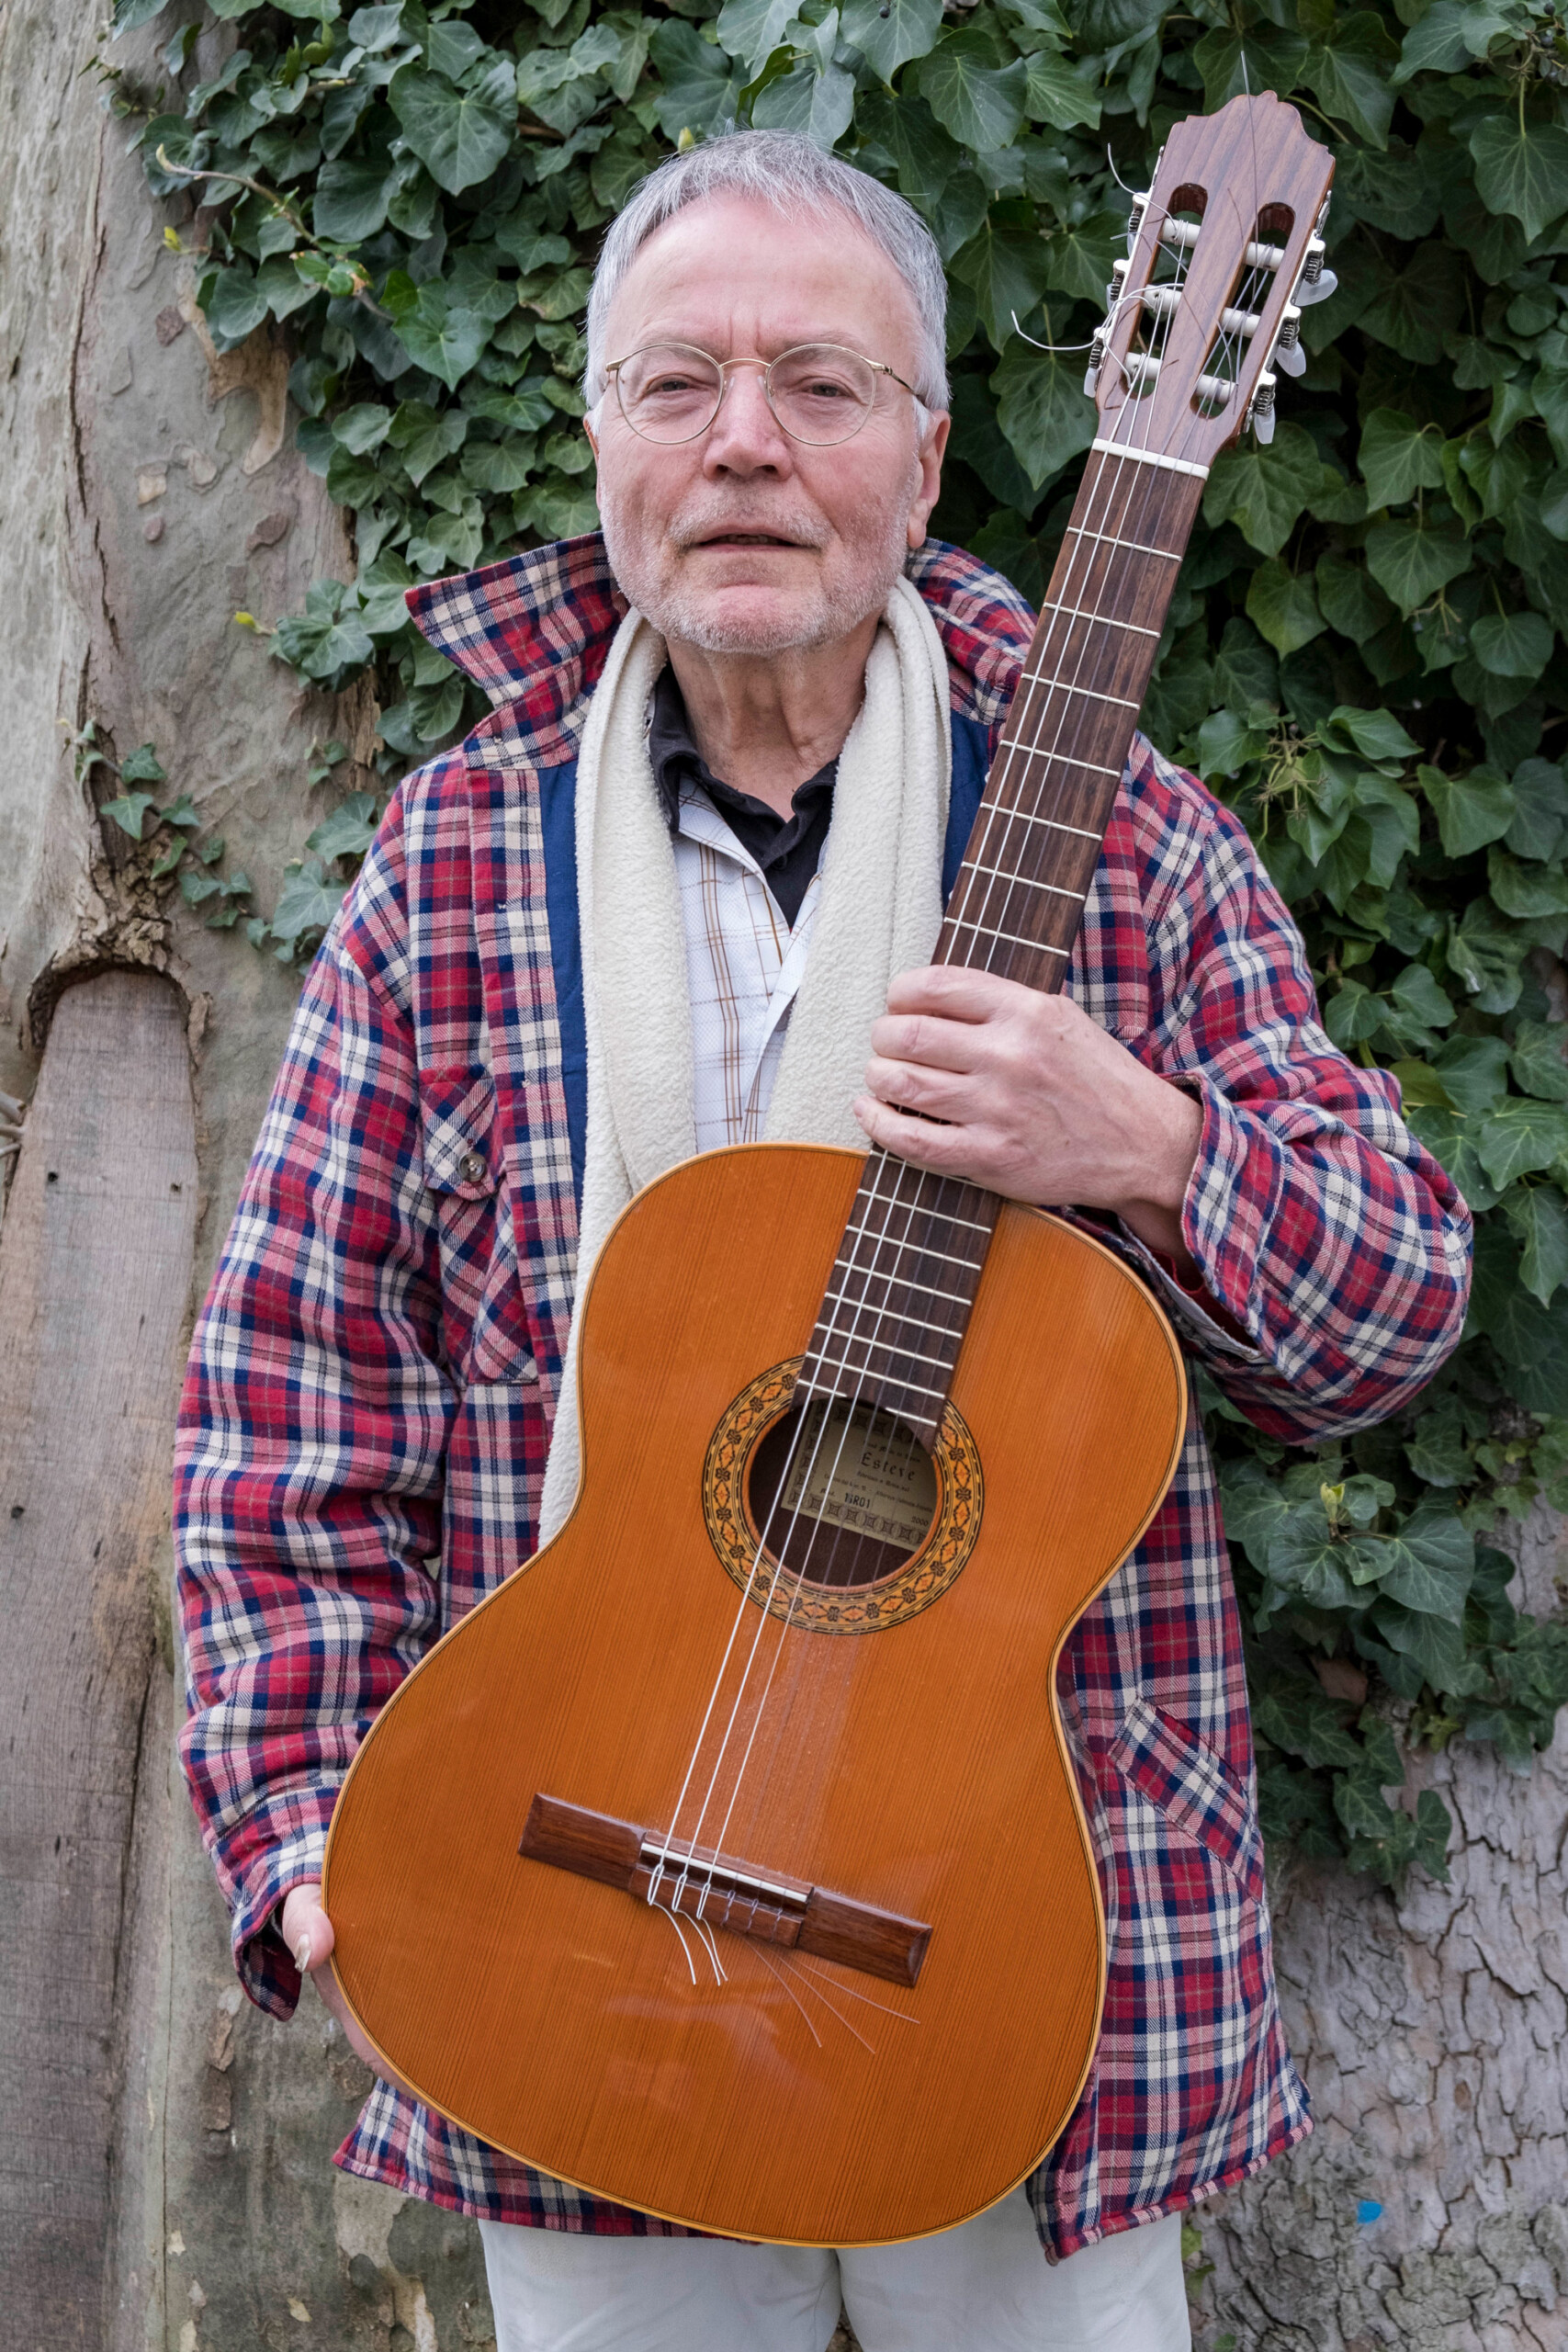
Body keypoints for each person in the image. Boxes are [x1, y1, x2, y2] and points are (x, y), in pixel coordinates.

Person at [174, 129, 1472, 2352]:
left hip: (1011, 1949)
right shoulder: (457, 861)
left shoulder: (1127, 848)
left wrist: (1150, 1143)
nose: (744, 441)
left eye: (820, 384)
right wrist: (314, 1839)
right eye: (674, 382)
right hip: (558, 1895)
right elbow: (283, 1413)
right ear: (597, 437)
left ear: (930, 452)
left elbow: (1391, 1308)